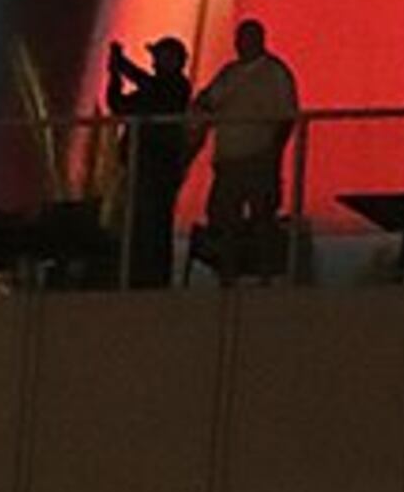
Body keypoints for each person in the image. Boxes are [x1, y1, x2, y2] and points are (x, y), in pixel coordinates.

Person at [193, 17, 301, 280]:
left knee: (262, 219)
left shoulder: (275, 73)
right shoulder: (229, 72)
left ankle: (265, 276)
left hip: (258, 157)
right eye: (239, 39)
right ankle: (228, 275)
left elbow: (287, 116)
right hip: (228, 160)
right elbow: (207, 99)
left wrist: (273, 153)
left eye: (247, 39)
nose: (241, 44)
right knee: (224, 219)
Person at [105, 30, 201, 289]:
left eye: (159, 56)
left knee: (155, 224)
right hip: (140, 166)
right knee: (139, 223)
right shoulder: (154, 90)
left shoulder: (176, 87)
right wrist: (114, 74)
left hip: (159, 168)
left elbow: (151, 88)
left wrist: (122, 65)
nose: (154, 62)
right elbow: (119, 105)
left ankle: (154, 279)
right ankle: (138, 276)